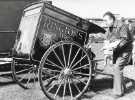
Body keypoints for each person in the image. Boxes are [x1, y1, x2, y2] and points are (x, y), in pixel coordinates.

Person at [90, 11, 133, 98]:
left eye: (106, 21)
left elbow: (124, 40)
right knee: (116, 68)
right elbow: (106, 36)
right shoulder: (110, 27)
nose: (104, 23)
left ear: (111, 19)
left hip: (125, 50)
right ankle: (122, 88)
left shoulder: (122, 25)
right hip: (118, 50)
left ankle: (118, 93)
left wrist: (111, 45)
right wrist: (95, 35)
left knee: (117, 67)